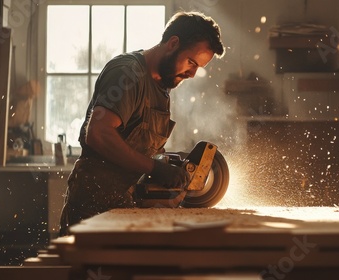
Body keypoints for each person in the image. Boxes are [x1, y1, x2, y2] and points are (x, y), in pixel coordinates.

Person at [59, 11, 225, 236]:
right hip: (95, 205)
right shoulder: (127, 74)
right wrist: (155, 168)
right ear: (173, 43)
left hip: (126, 206)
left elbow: (138, 147)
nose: (193, 74)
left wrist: (173, 163)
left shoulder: (162, 87)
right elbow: (98, 133)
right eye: (191, 62)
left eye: (198, 67)